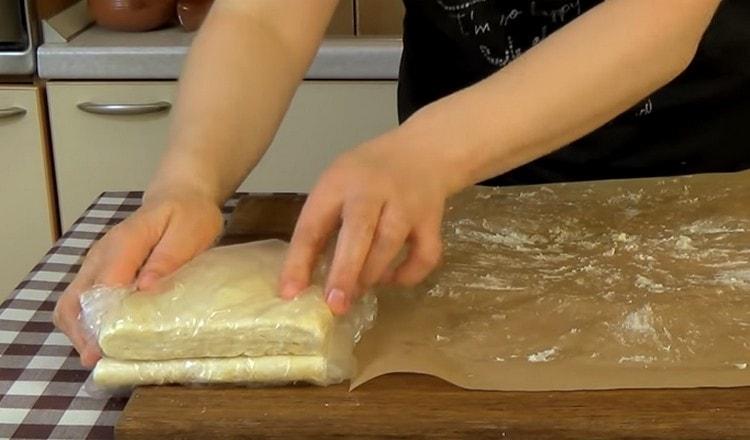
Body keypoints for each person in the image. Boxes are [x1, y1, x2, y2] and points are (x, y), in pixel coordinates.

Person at [54, 0, 747, 368]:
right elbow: (261, 17)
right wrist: (188, 180)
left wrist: (429, 147)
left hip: (704, 208)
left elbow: (659, 19)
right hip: (457, 227)